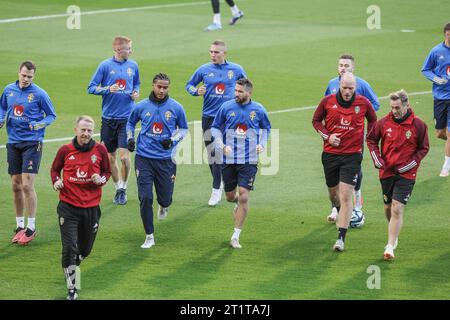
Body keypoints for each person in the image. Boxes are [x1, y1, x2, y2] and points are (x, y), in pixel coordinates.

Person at [312, 73, 377, 252]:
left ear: (355, 87)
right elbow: (316, 120)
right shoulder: (327, 101)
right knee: (334, 194)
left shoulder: (363, 103)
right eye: (344, 88)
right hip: (330, 155)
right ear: (339, 85)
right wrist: (328, 136)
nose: (347, 92)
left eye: (351, 88)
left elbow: (372, 119)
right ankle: (339, 211)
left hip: (352, 156)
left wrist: (368, 137)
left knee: (346, 194)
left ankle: (341, 238)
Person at [50, 115, 111, 300]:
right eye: (83, 130)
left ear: (93, 132)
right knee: (69, 248)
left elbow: (107, 171)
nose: (86, 133)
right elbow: (54, 170)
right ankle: (72, 289)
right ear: (76, 130)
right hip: (68, 207)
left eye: (89, 130)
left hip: (91, 208)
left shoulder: (100, 149)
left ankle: (73, 263)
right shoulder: (65, 150)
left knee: (84, 250)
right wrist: (57, 181)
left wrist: (102, 180)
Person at [127, 73, 188, 249]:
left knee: (166, 199)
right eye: (159, 86)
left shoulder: (176, 107)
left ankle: (164, 206)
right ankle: (149, 236)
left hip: (166, 160)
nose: (161, 90)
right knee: (145, 197)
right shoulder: (141, 106)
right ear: (153, 85)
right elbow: (130, 123)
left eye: (165, 87)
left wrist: (172, 140)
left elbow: (183, 129)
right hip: (144, 158)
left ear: (168, 88)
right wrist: (130, 139)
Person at [366, 90, 429, 260]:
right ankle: (394, 229)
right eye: (392, 107)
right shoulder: (383, 123)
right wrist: (377, 159)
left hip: (407, 174)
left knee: (397, 207)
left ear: (407, 105)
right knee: (388, 207)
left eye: (398, 107)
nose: (395, 111)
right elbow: (371, 140)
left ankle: (390, 245)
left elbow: (424, 148)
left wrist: (411, 164)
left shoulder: (418, 125)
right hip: (386, 172)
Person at [0, 60, 57, 245]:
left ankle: (31, 227)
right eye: (24, 75)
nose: (25, 79)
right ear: (19, 73)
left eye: (29, 77)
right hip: (13, 142)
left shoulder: (40, 94)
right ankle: (19, 226)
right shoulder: (9, 90)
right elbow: (2, 107)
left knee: (27, 185)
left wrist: (40, 124)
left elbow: (51, 115)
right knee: (15, 185)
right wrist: (1, 118)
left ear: (34, 76)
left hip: (32, 143)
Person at [186, 39, 247, 206]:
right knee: (213, 153)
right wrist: (196, 91)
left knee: (226, 153)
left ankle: (219, 189)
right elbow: (189, 85)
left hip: (229, 118)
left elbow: (246, 87)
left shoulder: (236, 69)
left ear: (224, 53)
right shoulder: (204, 70)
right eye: (211, 52)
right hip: (209, 117)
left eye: (216, 52)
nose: (213, 55)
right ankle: (218, 185)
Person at [211, 78, 271, 249]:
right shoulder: (226, 107)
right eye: (235, 91)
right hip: (229, 158)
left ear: (249, 93)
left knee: (244, 194)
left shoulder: (258, 109)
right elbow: (215, 127)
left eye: (240, 91)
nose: (236, 94)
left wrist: (262, 143)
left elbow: (266, 128)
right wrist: (221, 144)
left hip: (249, 159)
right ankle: (235, 201)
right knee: (231, 197)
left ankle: (235, 236)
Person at [324, 54, 380, 222]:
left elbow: (375, 104)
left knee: (356, 171)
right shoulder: (332, 84)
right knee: (333, 177)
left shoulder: (361, 85)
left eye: (346, 66)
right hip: (335, 139)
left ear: (353, 68)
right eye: (340, 65)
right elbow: (326, 104)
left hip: (354, 138)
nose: (343, 68)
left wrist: (358, 115)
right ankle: (335, 209)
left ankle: (357, 205)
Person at [87, 35, 140, 205]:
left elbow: (137, 83)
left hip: (127, 119)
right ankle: (118, 187)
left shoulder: (133, 65)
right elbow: (91, 88)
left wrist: (136, 93)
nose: (131, 51)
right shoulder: (105, 66)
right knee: (110, 158)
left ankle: (124, 187)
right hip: (109, 118)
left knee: (124, 158)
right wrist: (107, 89)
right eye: (128, 48)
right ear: (118, 49)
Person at [421, 22, 450, 177]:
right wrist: (436, 79)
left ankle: (446, 166)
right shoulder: (436, 51)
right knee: (440, 133)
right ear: (447, 34)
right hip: (440, 98)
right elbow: (425, 69)